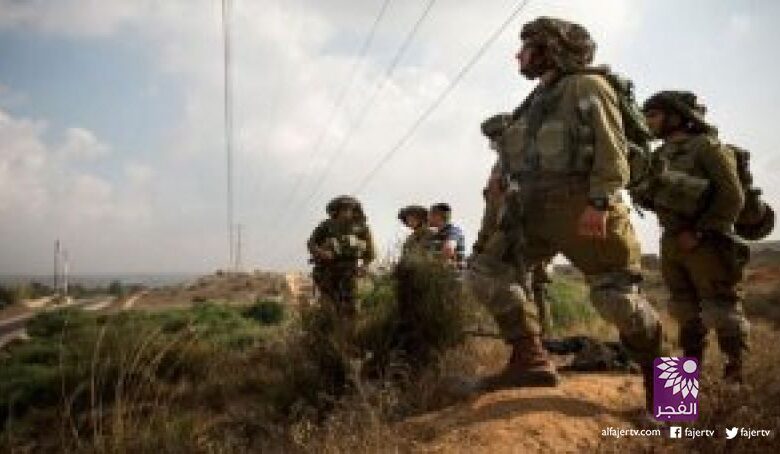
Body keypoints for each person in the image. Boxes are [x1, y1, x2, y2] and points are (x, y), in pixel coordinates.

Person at [467, 17, 664, 417]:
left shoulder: (587, 86)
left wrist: (600, 203)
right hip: (533, 210)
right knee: (487, 270)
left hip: (583, 207)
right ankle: (530, 361)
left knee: (618, 301)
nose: (518, 55)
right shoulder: (536, 100)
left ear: (551, 49)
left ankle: (673, 401)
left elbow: (612, 152)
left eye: (527, 47)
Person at [637, 91, 750, 383]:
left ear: (676, 117)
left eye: (654, 115)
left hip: (709, 242)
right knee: (684, 315)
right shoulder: (658, 156)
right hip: (672, 241)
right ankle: (682, 396)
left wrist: (700, 232)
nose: (648, 121)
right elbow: (653, 199)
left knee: (722, 311)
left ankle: (734, 387)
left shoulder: (707, 148)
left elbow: (732, 197)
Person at [473, 155, 554, 337]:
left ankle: (539, 335)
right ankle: (534, 335)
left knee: (534, 286)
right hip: (516, 240)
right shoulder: (504, 169)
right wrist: (481, 244)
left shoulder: (516, 166)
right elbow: (489, 224)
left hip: (530, 237)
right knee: (526, 286)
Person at [307, 195, 376, 319]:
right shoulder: (327, 225)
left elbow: (370, 251)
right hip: (327, 270)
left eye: (349, 209)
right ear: (337, 210)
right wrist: (321, 253)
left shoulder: (361, 227)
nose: (346, 212)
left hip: (350, 270)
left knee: (351, 306)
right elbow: (311, 243)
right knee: (329, 307)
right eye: (343, 209)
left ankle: (351, 328)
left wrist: (364, 266)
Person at [428, 203, 466, 269]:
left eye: (430, 215)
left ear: (437, 216)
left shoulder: (453, 231)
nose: (428, 218)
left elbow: (449, 248)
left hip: (452, 274)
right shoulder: (436, 234)